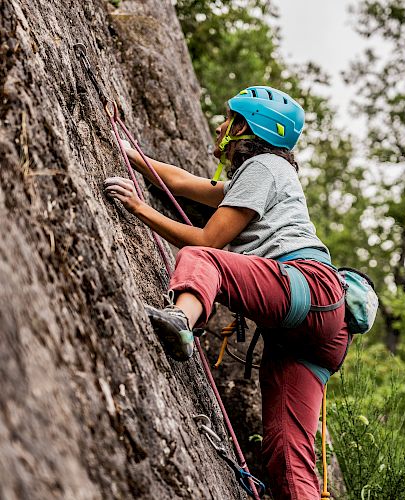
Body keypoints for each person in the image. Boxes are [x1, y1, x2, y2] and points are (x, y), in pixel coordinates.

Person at [104, 86, 349, 500]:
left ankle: (181, 321)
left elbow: (207, 242)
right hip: (322, 327)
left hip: (305, 288)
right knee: (288, 455)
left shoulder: (264, 167)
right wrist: (131, 153)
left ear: (248, 129)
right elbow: (186, 183)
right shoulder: (266, 175)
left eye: (229, 120)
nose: (219, 127)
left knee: (203, 258)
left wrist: (141, 210)